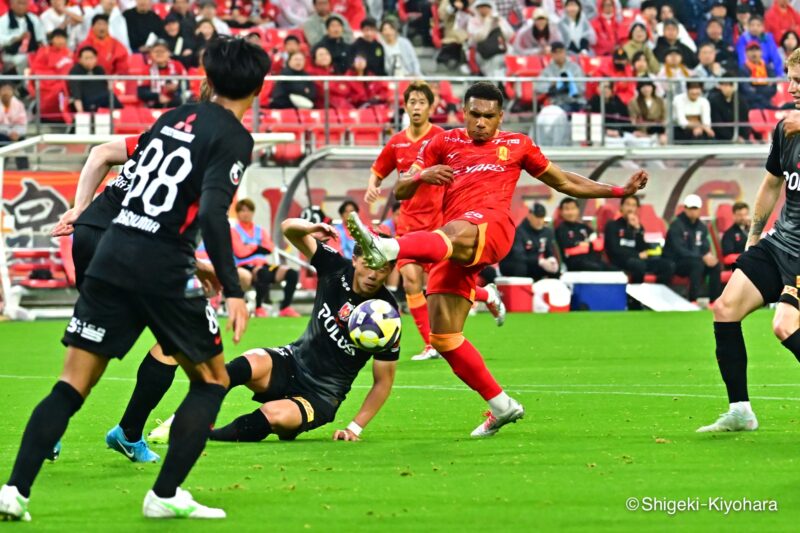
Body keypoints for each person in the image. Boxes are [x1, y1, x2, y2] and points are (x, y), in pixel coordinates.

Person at [0, 37, 271, 521]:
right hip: (161, 267)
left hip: (112, 252)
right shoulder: (233, 136)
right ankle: (164, 495)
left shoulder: (172, 118)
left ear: (206, 77)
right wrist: (233, 289)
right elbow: (211, 213)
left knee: (70, 384)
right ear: (258, 88)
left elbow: (136, 185)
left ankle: (14, 492)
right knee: (210, 381)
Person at [345, 81, 648, 437]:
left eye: (489, 116)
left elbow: (563, 181)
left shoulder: (517, 144)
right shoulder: (442, 142)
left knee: (455, 230)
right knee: (445, 338)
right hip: (454, 243)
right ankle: (501, 405)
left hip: (493, 227)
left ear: (500, 117)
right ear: (463, 112)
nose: (481, 123)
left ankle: (388, 249)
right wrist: (424, 175)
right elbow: (403, 188)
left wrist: (617, 190)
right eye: (474, 114)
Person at [197, 218, 399, 443]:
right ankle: (194, 420)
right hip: (292, 361)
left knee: (274, 415)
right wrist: (309, 227)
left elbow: (384, 381)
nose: (373, 275)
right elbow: (287, 229)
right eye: (368, 264)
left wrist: (354, 428)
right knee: (246, 362)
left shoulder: (387, 317)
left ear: (391, 269)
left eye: (381, 269)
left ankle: (206, 437)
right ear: (355, 260)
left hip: (321, 394)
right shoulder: (334, 266)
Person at [698, 48, 800, 433]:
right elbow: (773, 182)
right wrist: (754, 238)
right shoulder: (785, 129)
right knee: (725, 308)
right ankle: (740, 410)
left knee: (784, 325)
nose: (792, 88)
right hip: (781, 243)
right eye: (790, 79)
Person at [366, 82, 447, 360]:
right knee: (411, 280)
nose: (416, 107)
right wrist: (372, 186)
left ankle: (485, 295)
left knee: (440, 285)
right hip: (408, 223)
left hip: (438, 222)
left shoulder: (441, 138)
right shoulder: (397, 141)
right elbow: (378, 169)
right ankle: (430, 344)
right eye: (412, 102)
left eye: (421, 102)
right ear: (405, 106)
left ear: (431, 107)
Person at [231, 198, 300, 318]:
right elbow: (240, 253)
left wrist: (250, 247)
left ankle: (285, 307)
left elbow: (269, 247)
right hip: (244, 266)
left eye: (248, 210)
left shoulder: (260, 230)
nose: (245, 213)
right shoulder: (234, 231)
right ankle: (259, 307)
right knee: (263, 273)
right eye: (242, 211)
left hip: (262, 264)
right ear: (237, 213)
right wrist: (258, 247)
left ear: (253, 212)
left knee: (291, 273)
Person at [662, 194, 721, 303]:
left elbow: (705, 246)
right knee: (697, 264)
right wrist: (701, 257)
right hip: (676, 263)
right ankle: (693, 300)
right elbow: (679, 250)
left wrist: (708, 256)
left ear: (699, 210)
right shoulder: (676, 225)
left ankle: (715, 301)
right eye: (690, 208)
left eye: (695, 208)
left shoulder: (702, 227)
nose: (693, 211)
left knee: (715, 265)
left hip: (696, 260)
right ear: (685, 208)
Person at [604, 195, 673, 283]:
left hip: (638, 260)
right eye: (628, 204)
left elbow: (643, 248)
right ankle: (635, 295)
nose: (630, 208)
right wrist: (637, 255)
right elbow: (614, 249)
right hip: (620, 261)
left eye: (634, 205)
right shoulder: (612, 225)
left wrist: (638, 229)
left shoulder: (638, 227)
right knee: (638, 265)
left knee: (668, 265)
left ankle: (658, 292)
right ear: (621, 207)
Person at [498, 203, 559, 281]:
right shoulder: (519, 232)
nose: (539, 221)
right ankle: (522, 290)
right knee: (521, 267)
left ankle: (552, 290)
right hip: (512, 263)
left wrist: (551, 259)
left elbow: (549, 251)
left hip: (532, 263)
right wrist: (539, 261)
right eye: (537, 217)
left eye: (542, 217)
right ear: (529, 215)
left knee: (554, 269)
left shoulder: (547, 232)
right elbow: (518, 256)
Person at [555, 197, 615, 272]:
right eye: (567, 209)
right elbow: (568, 248)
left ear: (578, 210)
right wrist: (588, 245)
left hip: (593, 260)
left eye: (573, 208)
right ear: (561, 212)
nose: (570, 212)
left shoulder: (584, 227)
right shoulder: (560, 229)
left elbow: (598, 244)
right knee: (597, 268)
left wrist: (585, 245)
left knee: (614, 269)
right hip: (574, 263)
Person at [467, 0, 514, 79]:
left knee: (507, 56)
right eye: (481, 7)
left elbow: (510, 35)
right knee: (494, 62)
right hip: (480, 53)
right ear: (477, 9)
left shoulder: (498, 19)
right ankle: (494, 83)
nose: (484, 9)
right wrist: (487, 23)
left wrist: (499, 24)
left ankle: (502, 84)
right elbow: (478, 38)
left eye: (486, 7)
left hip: (498, 50)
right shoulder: (473, 21)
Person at [68, 46, 122, 112]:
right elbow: (76, 93)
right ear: (80, 59)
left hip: (102, 100)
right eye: (86, 58)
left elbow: (107, 87)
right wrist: (81, 112)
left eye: (91, 58)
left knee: (112, 97)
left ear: (96, 58)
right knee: (109, 97)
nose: (89, 61)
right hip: (87, 102)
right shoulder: (75, 71)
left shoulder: (99, 69)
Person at [137, 40, 187, 109]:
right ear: (151, 53)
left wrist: (176, 88)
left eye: (162, 51)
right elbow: (141, 92)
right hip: (154, 105)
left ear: (169, 53)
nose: (159, 54)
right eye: (156, 51)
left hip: (176, 104)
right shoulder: (146, 69)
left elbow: (187, 85)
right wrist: (158, 96)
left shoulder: (177, 65)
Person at [0, 0, 46, 74]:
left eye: (24, 3)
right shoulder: (3, 20)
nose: (21, 6)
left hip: (32, 54)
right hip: (11, 55)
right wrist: (17, 38)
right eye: (19, 3)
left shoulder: (34, 19)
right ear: (11, 5)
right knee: (23, 60)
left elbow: (41, 39)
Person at [541, 41, 585, 113]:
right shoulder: (547, 70)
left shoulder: (575, 68)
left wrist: (569, 85)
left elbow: (582, 88)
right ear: (552, 54)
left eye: (561, 52)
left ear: (565, 52)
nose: (558, 55)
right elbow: (538, 87)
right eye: (555, 52)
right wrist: (552, 84)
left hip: (576, 101)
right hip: (557, 103)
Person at [708, 74, 750, 142]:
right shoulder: (714, 101)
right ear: (720, 86)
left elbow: (745, 122)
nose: (726, 88)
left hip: (741, 139)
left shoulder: (741, 101)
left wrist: (743, 137)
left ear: (734, 86)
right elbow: (718, 124)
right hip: (721, 139)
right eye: (724, 85)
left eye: (729, 85)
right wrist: (733, 138)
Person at [739, 40, 777, 109]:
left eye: (756, 50)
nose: (754, 53)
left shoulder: (768, 68)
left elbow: (773, 88)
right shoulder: (743, 69)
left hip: (767, 100)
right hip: (751, 102)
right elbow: (746, 89)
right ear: (746, 53)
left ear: (761, 52)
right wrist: (763, 91)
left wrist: (757, 90)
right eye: (751, 50)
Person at [0, 81, 29, 170]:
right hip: (2, 133)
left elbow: (23, 123)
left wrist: (16, 133)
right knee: (3, 141)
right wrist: (9, 133)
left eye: (9, 90)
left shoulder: (19, 105)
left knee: (21, 142)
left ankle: (23, 170)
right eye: (4, 90)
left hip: (16, 133)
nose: (6, 92)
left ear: (12, 91)